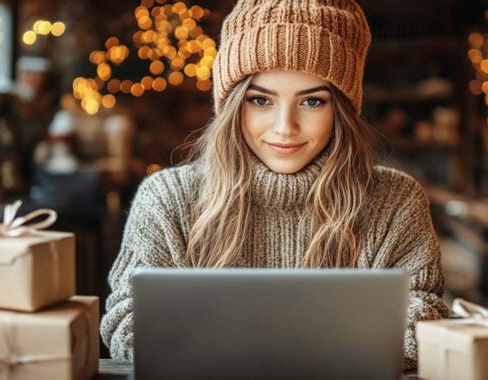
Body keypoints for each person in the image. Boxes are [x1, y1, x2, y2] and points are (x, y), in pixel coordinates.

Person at [101, 0, 449, 370]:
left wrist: (241, 342)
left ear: (343, 110)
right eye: (260, 100)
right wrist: (321, 342)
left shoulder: (395, 202)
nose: (285, 126)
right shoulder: (168, 198)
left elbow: (424, 316)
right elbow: (129, 324)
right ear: (233, 104)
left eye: (312, 101)